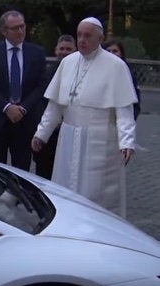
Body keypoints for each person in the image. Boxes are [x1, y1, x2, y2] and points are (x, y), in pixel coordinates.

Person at [31, 17, 138, 218]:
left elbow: (124, 110)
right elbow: (55, 106)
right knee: (66, 189)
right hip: (69, 137)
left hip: (100, 141)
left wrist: (127, 141)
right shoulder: (68, 63)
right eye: (79, 35)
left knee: (96, 195)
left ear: (100, 37)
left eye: (87, 35)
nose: (81, 40)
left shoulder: (116, 66)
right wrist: (41, 134)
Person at [0, 10, 46, 170]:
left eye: (22, 26)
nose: (20, 31)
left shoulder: (36, 53)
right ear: (3, 31)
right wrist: (6, 107)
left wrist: (23, 108)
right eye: (15, 28)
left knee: (22, 169)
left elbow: (41, 85)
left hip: (25, 121)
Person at [33, 34, 77, 179]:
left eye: (68, 49)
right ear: (56, 50)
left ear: (75, 50)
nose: (64, 52)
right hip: (49, 134)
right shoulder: (46, 73)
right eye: (62, 49)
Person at [103, 39, 141, 120]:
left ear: (121, 53)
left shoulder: (128, 74)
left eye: (115, 51)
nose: (111, 54)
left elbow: (135, 103)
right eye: (108, 51)